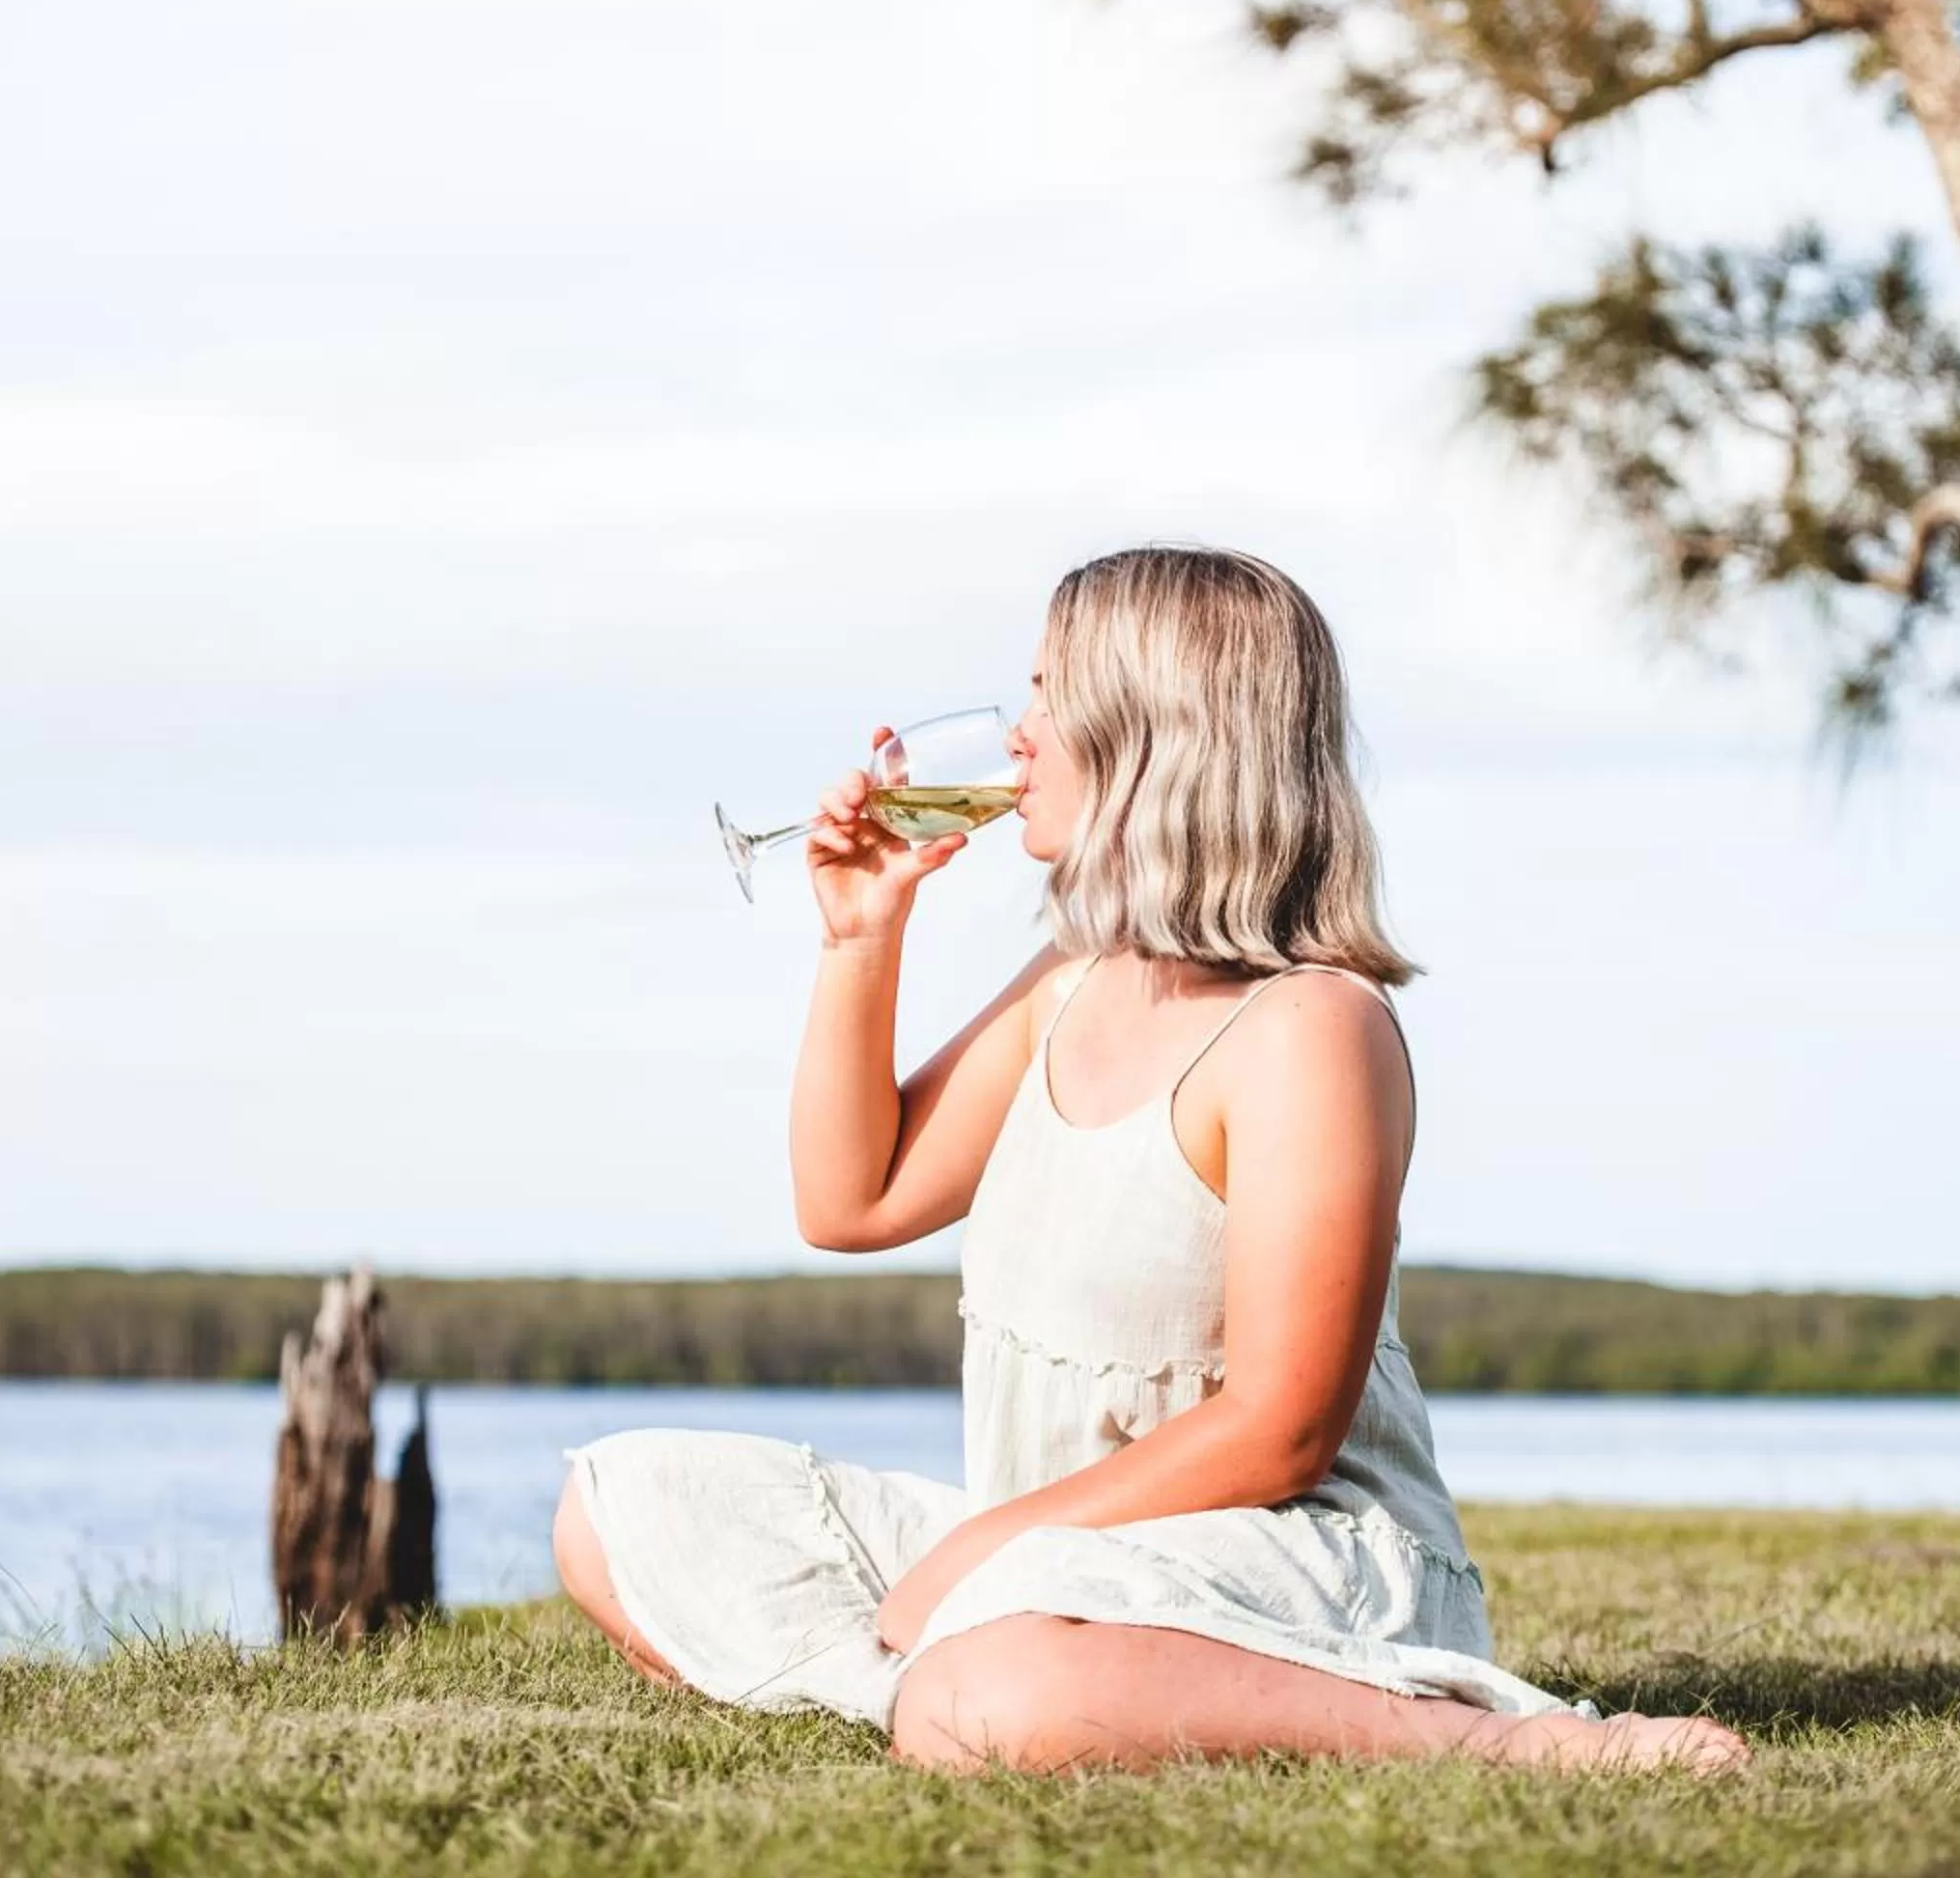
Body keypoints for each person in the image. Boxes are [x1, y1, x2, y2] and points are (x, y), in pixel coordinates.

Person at [555, 546, 1750, 1775]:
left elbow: (1281, 1431)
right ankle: (984, 1682)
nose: (1016, 736)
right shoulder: (1071, 984)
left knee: (997, 1674)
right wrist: (862, 937)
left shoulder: (1309, 1030)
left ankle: (1484, 1740)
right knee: (620, 1507)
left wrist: (977, 1558)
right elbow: (848, 1202)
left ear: (1159, 733)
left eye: (1048, 694)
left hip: (1293, 1553)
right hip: (1068, 1545)